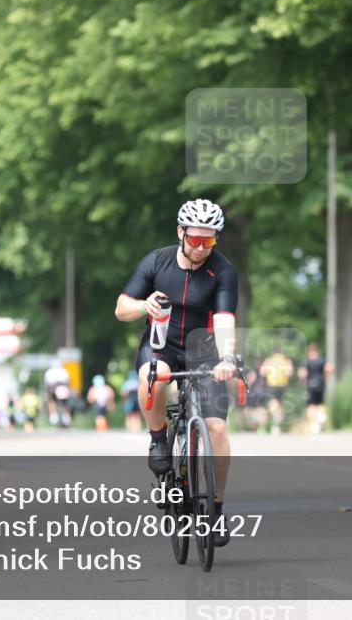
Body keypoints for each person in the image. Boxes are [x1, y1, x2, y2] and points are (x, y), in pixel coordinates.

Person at [115, 198, 239, 547]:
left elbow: (225, 319)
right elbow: (121, 308)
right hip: (162, 345)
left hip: (204, 351)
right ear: (180, 232)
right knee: (153, 377)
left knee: (217, 428)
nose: (201, 247)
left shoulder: (224, 271)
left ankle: (215, 509)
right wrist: (144, 305)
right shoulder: (157, 261)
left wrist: (227, 358)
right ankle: (158, 440)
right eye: (195, 239)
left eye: (209, 241)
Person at [298, 343, 333, 434]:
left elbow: (302, 373)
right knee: (320, 403)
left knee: (311, 406)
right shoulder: (322, 360)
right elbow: (330, 368)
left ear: (309, 352)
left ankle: (314, 424)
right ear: (317, 351)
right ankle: (322, 416)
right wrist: (325, 377)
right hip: (321, 384)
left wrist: (301, 382)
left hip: (310, 384)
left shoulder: (307, 362)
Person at [259, 348, 293, 435]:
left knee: (273, 403)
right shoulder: (286, 361)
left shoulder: (269, 360)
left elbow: (262, 371)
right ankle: (277, 423)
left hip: (271, 384)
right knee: (279, 404)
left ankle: (274, 422)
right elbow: (289, 373)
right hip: (282, 385)